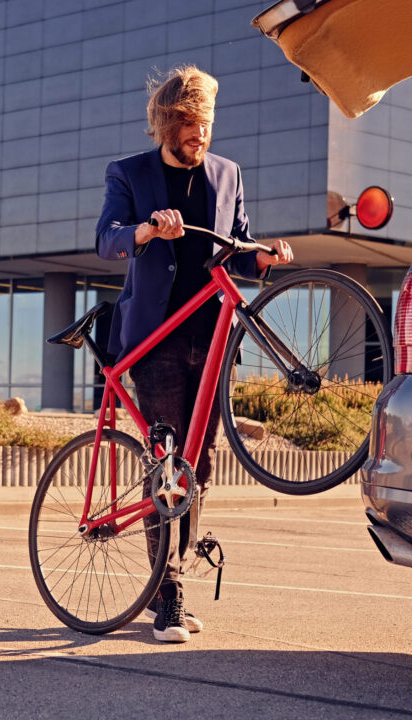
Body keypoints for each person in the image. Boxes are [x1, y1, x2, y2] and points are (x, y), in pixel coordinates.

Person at [95, 65, 293, 643]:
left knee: (198, 468)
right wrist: (146, 231)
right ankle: (168, 599)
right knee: (167, 464)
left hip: (210, 338)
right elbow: (106, 238)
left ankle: (173, 576)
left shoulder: (227, 173)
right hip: (156, 338)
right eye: (187, 123)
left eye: (204, 122)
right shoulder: (130, 173)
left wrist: (265, 256)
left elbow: (239, 243)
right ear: (165, 123)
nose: (199, 133)